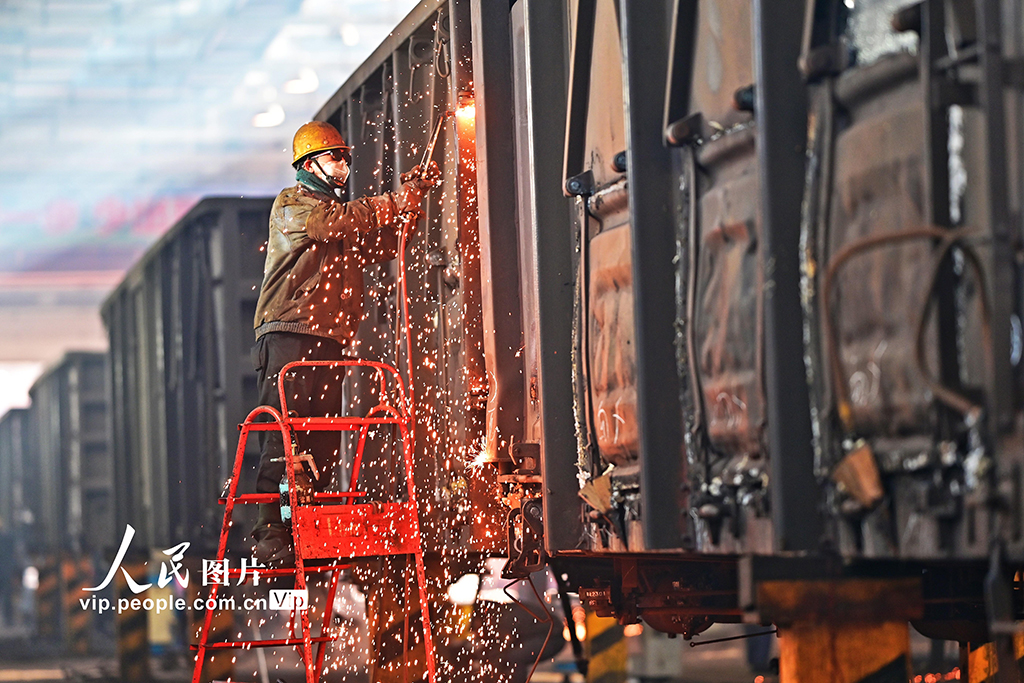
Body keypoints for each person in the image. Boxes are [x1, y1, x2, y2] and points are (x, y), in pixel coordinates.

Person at [251, 120, 439, 565]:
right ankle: (270, 531)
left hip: (329, 339)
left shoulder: (339, 218)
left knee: (321, 441)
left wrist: (414, 204)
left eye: (345, 158)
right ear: (309, 163)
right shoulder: (295, 205)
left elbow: (384, 243)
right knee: (284, 435)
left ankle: (309, 524)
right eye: (335, 157)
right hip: (288, 333)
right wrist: (394, 201)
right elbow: (330, 225)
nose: (343, 165)